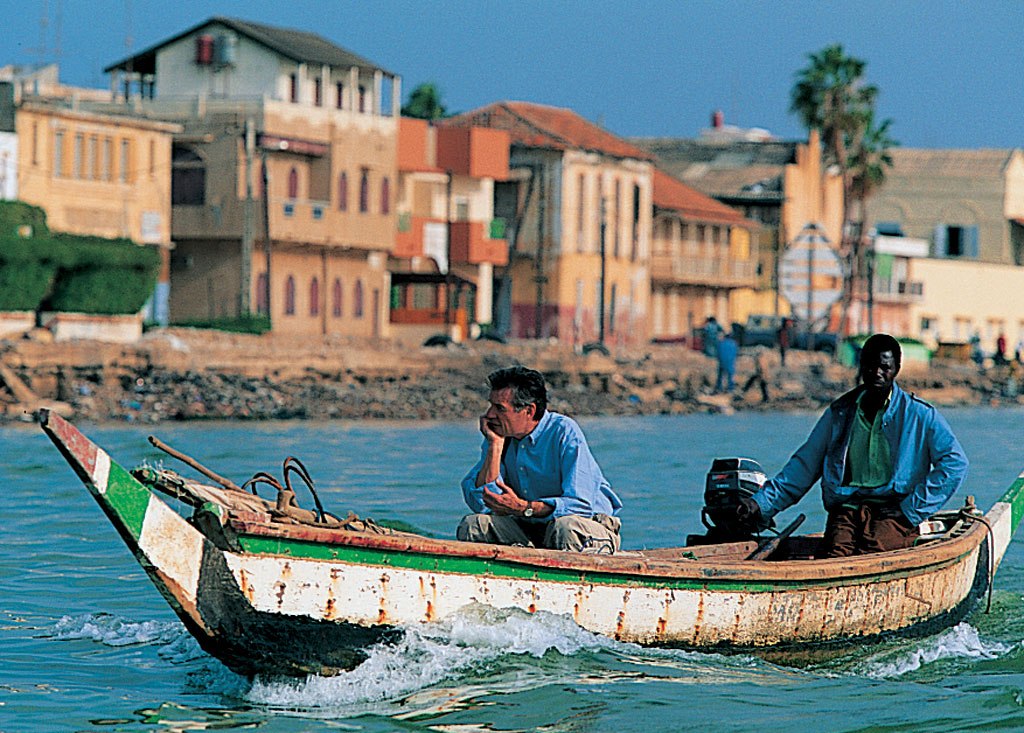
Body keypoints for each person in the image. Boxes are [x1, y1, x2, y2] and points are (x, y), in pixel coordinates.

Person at [735, 333, 968, 558]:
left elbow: (955, 464)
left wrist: (910, 510)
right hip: (847, 508)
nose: (877, 373)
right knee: (834, 558)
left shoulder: (919, 414)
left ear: (896, 368)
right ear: (861, 366)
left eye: (885, 368)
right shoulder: (840, 412)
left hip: (893, 511)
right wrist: (759, 504)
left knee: (875, 554)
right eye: (870, 366)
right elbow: (803, 468)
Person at [457, 366, 623, 552]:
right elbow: (483, 502)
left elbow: (580, 506)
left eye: (500, 409)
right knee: (474, 525)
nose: (489, 415)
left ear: (529, 411)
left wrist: (524, 508)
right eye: (491, 405)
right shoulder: (499, 435)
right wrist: (494, 445)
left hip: (585, 527)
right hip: (529, 528)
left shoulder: (564, 431)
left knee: (566, 528)